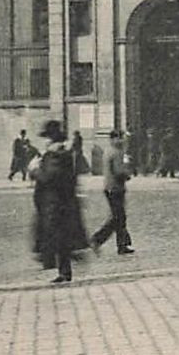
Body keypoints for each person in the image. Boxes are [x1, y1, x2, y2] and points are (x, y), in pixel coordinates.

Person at [33, 119, 89, 283]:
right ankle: (63, 269)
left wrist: (34, 169)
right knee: (58, 237)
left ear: (51, 139)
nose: (45, 141)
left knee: (56, 236)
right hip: (59, 203)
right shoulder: (61, 153)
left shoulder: (54, 155)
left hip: (55, 204)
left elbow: (49, 177)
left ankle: (61, 269)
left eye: (46, 138)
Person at [90, 130, 135, 255]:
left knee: (119, 217)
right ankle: (97, 239)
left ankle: (123, 244)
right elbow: (118, 171)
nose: (123, 141)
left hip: (110, 187)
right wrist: (127, 175)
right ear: (115, 139)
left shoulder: (109, 150)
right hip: (115, 188)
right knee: (117, 218)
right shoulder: (116, 152)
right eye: (120, 138)